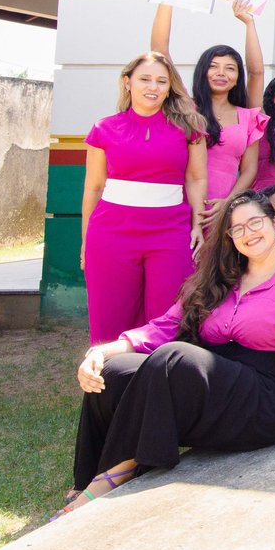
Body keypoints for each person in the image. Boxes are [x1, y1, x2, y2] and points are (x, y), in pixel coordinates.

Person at [63, 192, 275, 515]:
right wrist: (102, 352)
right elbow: (165, 326)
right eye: (237, 229)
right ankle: (84, 481)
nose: (248, 233)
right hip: (216, 387)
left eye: (255, 222)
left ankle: (118, 471)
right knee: (115, 372)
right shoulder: (220, 280)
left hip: (266, 400)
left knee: (175, 359)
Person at [81, 52, 209, 344]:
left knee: (167, 318)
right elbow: (94, 187)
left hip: (170, 232)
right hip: (110, 232)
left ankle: (161, 385)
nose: (153, 87)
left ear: (170, 86)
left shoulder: (190, 127)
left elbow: (196, 178)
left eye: (161, 81)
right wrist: (85, 239)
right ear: (127, 82)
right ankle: (108, 385)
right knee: (110, 318)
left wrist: (197, 225)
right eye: (145, 79)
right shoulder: (104, 128)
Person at [151, 0, 266, 220]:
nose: (221, 73)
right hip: (182, 206)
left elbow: (250, 169)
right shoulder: (187, 108)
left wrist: (227, 204)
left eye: (230, 68)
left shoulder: (248, 117)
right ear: (203, 72)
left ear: (237, 77)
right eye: (214, 66)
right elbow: (159, 53)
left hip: (225, 211)